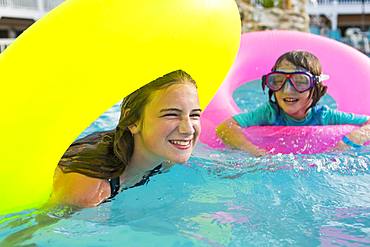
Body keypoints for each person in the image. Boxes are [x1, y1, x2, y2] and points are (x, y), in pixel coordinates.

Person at [50, 70, 201, 207]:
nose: (187, 129)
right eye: (171, 114)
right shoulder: (89, 191)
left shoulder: (168, 157)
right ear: (132, 121)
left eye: (194, 115)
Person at [216, 50, 370, 156]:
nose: (288, 90)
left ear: (316, 87)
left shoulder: (324, 116)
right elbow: (225, 128)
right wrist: (255, 152)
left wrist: (349, 141)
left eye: (300, 82)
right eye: (278, 81)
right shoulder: (270, 112)